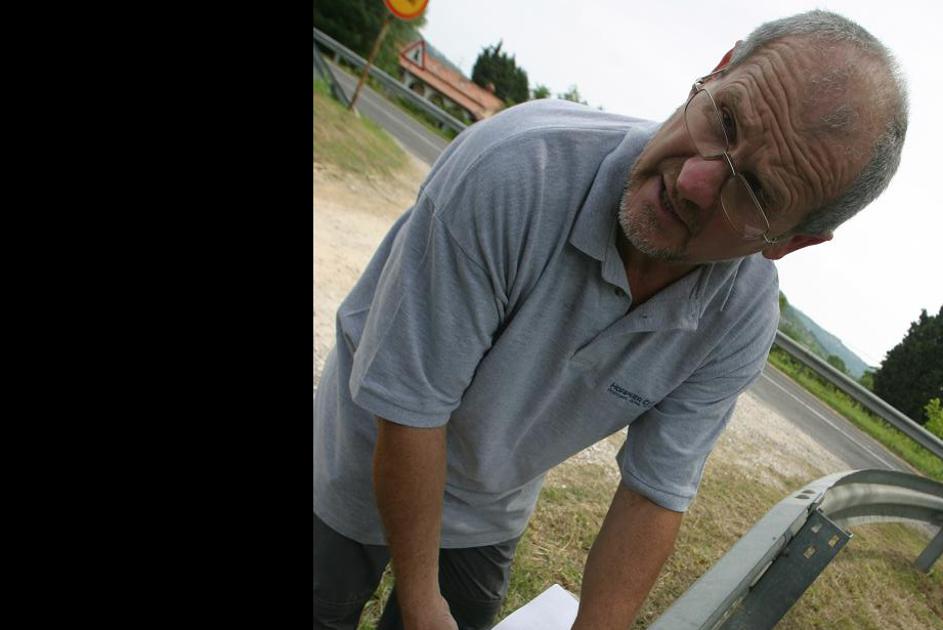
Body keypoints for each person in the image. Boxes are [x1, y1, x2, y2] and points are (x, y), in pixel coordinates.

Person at [313, 9, 908, 630]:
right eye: (725, 120)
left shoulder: (740, 319)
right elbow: (410, 408)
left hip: (490, 507)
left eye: (756, 192)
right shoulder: (516, 171)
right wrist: (420, 601)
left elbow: (654, 492)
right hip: (363, 453)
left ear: (791, 242)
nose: (695, 181)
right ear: (718, 70)